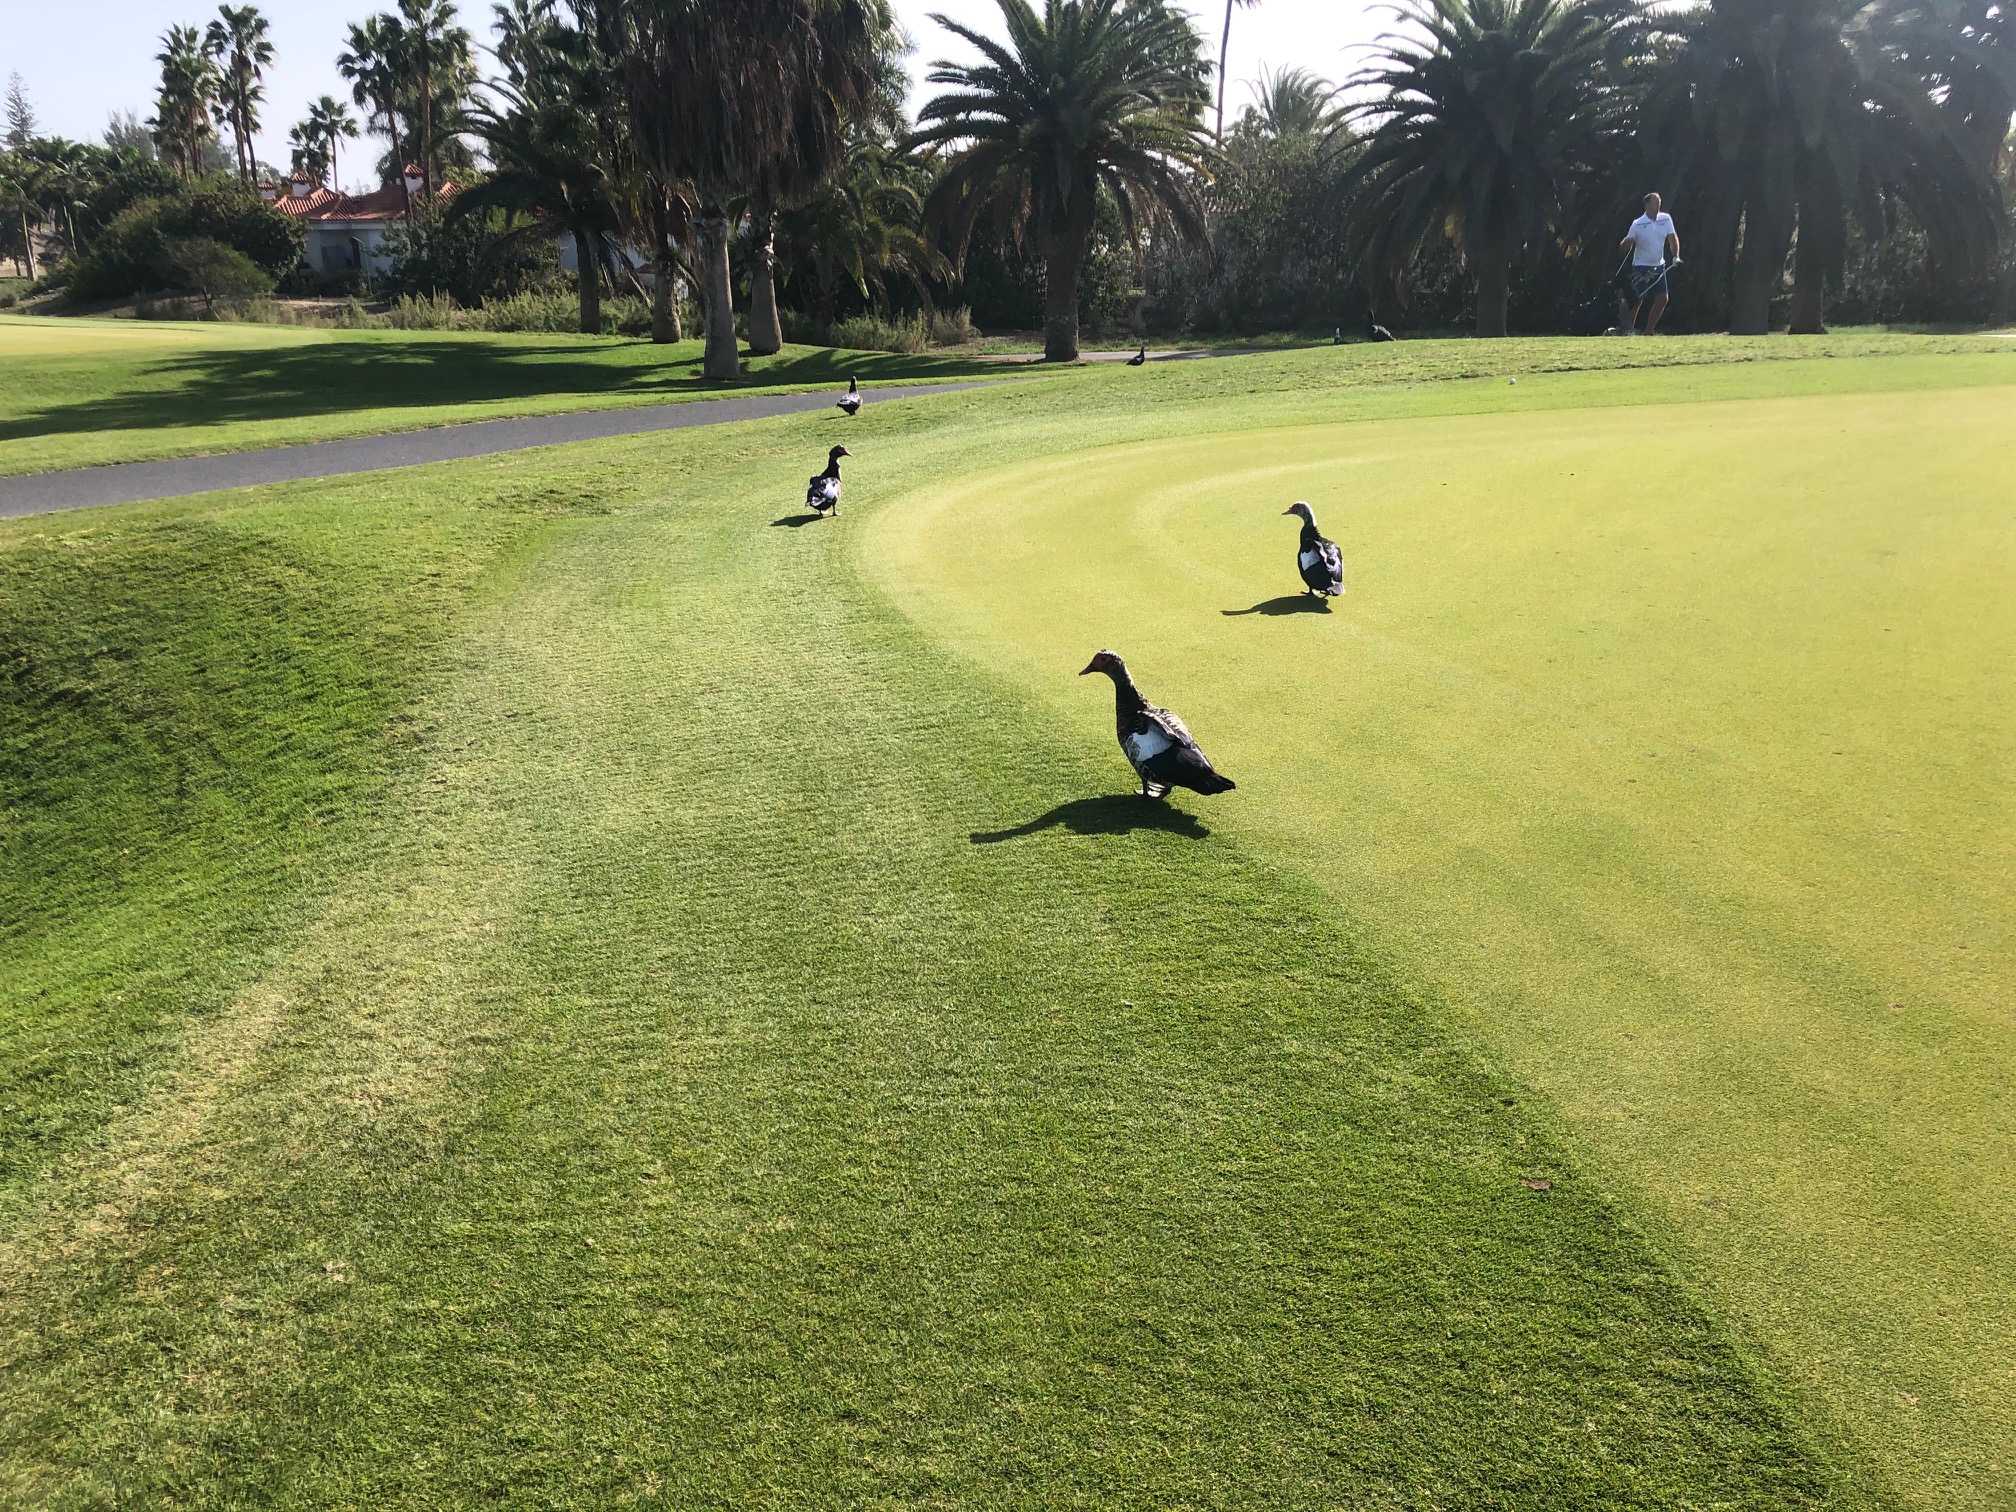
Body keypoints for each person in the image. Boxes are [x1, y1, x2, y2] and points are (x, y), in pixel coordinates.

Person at [1619, 192, 1680, 334]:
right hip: (1640, 266)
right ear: (1647, 204)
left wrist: (1675, 255)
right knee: (1636, 300)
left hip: (1659, 265)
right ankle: (1628, 331)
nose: (1658, 205)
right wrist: (1626, 243)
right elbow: (1624, 246)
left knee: (1662, 299)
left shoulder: (1666, 219)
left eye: (1659, 202)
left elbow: (1672, 238)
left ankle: (1648, 331)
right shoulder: (1637, 224)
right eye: (1655, 202)